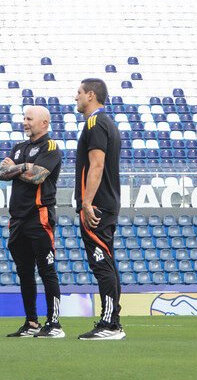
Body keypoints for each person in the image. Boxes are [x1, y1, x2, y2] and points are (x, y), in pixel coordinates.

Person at [0, 105, 65, 338]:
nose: (25, 122)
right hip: (17, 219)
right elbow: (1, 173)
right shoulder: (19, 147)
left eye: (29, 119)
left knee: (47, 271)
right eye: (24, 118)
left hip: (40, 216)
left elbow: (38, 176)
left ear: (44, 123)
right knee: (24, 272)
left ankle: (54, 324)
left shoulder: (51, 147)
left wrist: (18, 169)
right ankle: (31, 323)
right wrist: (24, 167)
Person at [73, 77, 124, 340]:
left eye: (79, 93)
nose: (76, 97)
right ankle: (113, 320)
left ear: (91, 95)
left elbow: (97, 165)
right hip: (107, 202)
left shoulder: (95, 122)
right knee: (108, 263)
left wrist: (86, 202)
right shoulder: (108, 123)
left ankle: (110, 324)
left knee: (101, 264)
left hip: (97, 206)